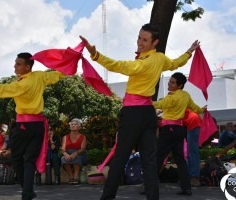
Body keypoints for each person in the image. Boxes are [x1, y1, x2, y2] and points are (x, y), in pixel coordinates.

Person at [80, 23, 200, 200]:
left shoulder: (141, 64)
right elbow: (176, 63)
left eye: (145, 40)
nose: (140, 42)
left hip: (133, 114)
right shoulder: (160, 58)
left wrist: (95, 54)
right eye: (139, 38)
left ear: (155, 42)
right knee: (149, 162)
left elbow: (118, 65)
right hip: (148, 114)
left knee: (120, 157)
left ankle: (107, 197)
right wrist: (190, 51)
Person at [0, 52, 66, 200]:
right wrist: (71, 61)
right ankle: (27, 192)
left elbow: (0, 89)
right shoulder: (41, 76)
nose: (14, 66)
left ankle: (26, 190)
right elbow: (59, 74)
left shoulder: (21, 85)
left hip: (23, 127)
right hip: (38, 126)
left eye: (18, 64)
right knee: (29, 161)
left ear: (28, 67)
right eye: (15, 63)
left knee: (15, 158)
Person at [153, 72, 205, 196]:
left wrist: (141, 101)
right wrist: (202, 109)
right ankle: (186, 188)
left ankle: (150, 187)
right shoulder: (186, 95)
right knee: (180, 160)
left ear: (180, 85)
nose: (169, 84)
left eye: (172, 82)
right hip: (180, 129)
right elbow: (195, 108)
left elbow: (159, 104)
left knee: (158, 158)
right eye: (169, 81)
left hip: (168, 129)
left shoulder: (172, 97)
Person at [61, 118, 87, 185]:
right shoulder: (65, 137)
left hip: (79, 154)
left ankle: (76, 177)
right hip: (68, 154)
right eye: (71, 124)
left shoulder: (83, 137)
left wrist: (75, 153)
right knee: (63, 159)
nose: (72, 125)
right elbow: (63, 149)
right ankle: (71, 177)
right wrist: (65, 154)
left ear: (79, 127)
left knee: (77, 158)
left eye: (75, 124)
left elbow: (82, 148)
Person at [183, 109, 202, 187]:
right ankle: (192, 175)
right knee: (191, 151)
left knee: (192, 151)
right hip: (193, 121)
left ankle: (194, 176)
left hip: (192, 123)